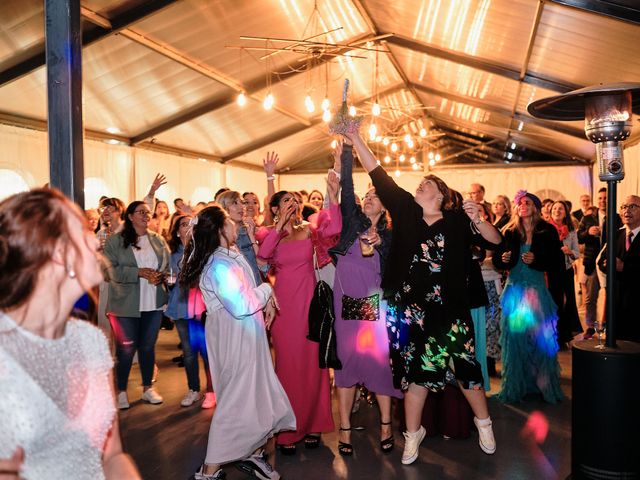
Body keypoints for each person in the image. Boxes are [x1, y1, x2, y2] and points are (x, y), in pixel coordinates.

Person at [347, 130, 500, 464]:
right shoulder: (406, 212)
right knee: (416, 377)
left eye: (427, 183)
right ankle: (412, 435)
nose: (420, 185)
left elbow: (495, 241)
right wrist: (355, 137)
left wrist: (480, 219)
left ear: (442, 195)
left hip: (452, 311)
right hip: (414, 313)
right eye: (420, 183)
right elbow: (378, 172)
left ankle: (484, 422)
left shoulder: (459, 220)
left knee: (467, 372)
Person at [0, 188, 140, 479]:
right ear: (57, 252)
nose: (93, 238)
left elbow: (112, 453)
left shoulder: (91, 341)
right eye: (80, 230)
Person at [179, 205, 295, 480]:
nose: (236, 224)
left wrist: (266, 298)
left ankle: (252, 452)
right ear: (220, 229)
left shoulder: (228, 254)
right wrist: (268, 290)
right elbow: (241, 303)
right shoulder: (217, 264)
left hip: (245, 332)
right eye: (231, 221)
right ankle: (209, 471)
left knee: (256, 392)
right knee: (236, 398)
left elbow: (247, 289)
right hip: (235, 335)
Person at [256, 173, 341, 455]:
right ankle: (288, 430)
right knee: (287, 367)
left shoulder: (310, 229)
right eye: (286, 200)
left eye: (295, 199)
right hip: (283, 310)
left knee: (315, 367)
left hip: (310, 306)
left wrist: (334, 194)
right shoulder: (268, 233)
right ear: (276, 207)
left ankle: (315, 424)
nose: (293, 203)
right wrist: (279, 226)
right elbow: (263, 256)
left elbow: (335, 228)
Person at [328, 141, 402, 456]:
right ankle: (344, 427)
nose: (369, 197)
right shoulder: (352, 224)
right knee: (345, 364)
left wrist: (382, 241)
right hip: (345, 304)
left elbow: (396, 266)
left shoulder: (391, 234)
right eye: (367, 196)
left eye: (375, 196)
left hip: (374, 304)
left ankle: (386, 423)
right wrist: (347, 151)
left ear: (384, 206)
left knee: (377, 362)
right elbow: (348, 189)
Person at [492, 190, 564, 404]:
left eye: (528, 202)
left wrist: (537, 258)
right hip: (515, 292)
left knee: (541, 341)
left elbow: (555, 261)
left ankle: (542, 387)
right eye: (520, 202)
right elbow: (499, 259)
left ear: (535, 207)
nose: (523, 205)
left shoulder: (547, 230)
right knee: (516, 341)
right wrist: (504, 259)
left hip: (537, 291)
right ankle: (516, 386)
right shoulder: (510, 232)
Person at [103, 201, 170, 409]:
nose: (146, 215)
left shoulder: (157, 240)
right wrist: (138, 272)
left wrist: (160, 276)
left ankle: (147, 388)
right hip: (125, 304)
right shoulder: (116, 241)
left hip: (153, 302)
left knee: (148, 347)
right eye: (141, 212)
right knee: (126, 349)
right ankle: (120, 390)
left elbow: (166, 267)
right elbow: (107, 271)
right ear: (130, 216)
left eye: (148, 212)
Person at [165, 215, 215, 409]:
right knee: (188, 352)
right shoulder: (172, 254)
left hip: (202, 308)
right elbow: (171, 280)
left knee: (206, 350)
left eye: (190, 224)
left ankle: (211, 390)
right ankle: (193, 389)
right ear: (177, 232)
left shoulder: (203, 251)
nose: (187, 228)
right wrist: (168, 281)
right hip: (180, 307)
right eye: (183, 225)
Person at [597, 195, 640, 342]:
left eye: (632, 206)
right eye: (623, 207)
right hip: (616, 301)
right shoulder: (616, 234)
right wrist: (605, 265)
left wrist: (624, 267)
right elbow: (601, 260)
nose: (627, 211)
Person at [549, 200, 581, 346]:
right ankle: (552, 335)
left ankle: (564, 336)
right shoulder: (545, 229)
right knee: (553, 303)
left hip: (566, 270)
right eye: (555, 208)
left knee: (567, 303)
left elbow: (577, 253)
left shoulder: (572, 230)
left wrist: (570, 252)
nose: (557, 211)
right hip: (550, 272)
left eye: (560, 208)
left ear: (565, 212)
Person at [217, 191, 262, 285]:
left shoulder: (249, 231)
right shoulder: (217, 237)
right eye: (235, 203)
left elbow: (263, 267)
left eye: (242, 202)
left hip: (256, 290)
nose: (241, 206)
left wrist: (252, 237)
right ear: (223, 208)